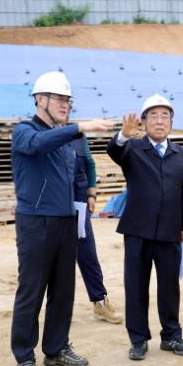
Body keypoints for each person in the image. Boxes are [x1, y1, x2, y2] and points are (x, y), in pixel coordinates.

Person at [11, 71, 114, 366]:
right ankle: (24, 354)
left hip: (66, 221)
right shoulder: (25, 131)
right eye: (59, 99)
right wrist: (79, 127)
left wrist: (89, 196)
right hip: (35, 222)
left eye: (68, 100)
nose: (65, 104)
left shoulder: (66, 141)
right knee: (32, 290)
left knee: (63, 289)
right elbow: (38, 144)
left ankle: (56, 348)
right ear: (40, 99)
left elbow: (77, 174)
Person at [107, 94, 183, 361]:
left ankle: (171, 335)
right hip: (138, 231)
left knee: (169, 287)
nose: (159, 121)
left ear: (171, 122)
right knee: (136, 286)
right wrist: (123, 135)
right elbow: (114, 151)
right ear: (144, 122)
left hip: (170, 231)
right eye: (154, 116)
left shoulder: (179, 154)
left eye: (165, 116)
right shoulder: (133, 149)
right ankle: (138, 339)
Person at [71, 135, 122, 324]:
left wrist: (91, 193)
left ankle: (100, 302)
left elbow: (90, 165)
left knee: (87, 254)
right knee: (54, 260)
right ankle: (54, 310)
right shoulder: (41, 135)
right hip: (51, 207)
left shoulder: (78, 137)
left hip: (78, 204)